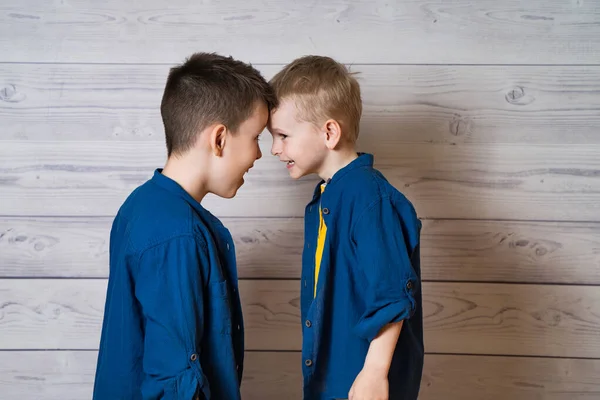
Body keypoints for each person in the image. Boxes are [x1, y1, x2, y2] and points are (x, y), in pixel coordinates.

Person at [93, 52, 277, 400]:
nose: (258, 154)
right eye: (255, 137)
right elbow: (175, 380)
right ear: (219, 139)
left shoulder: (141, 204)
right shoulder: (178, 235)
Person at [267, 55, 424, 400]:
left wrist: (374, 372)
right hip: (335, 379)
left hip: (363, 384)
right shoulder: (328, 196)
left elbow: (391, 293)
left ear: (329, 132)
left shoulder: (366, 195)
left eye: (282, 136)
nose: (275, 149)